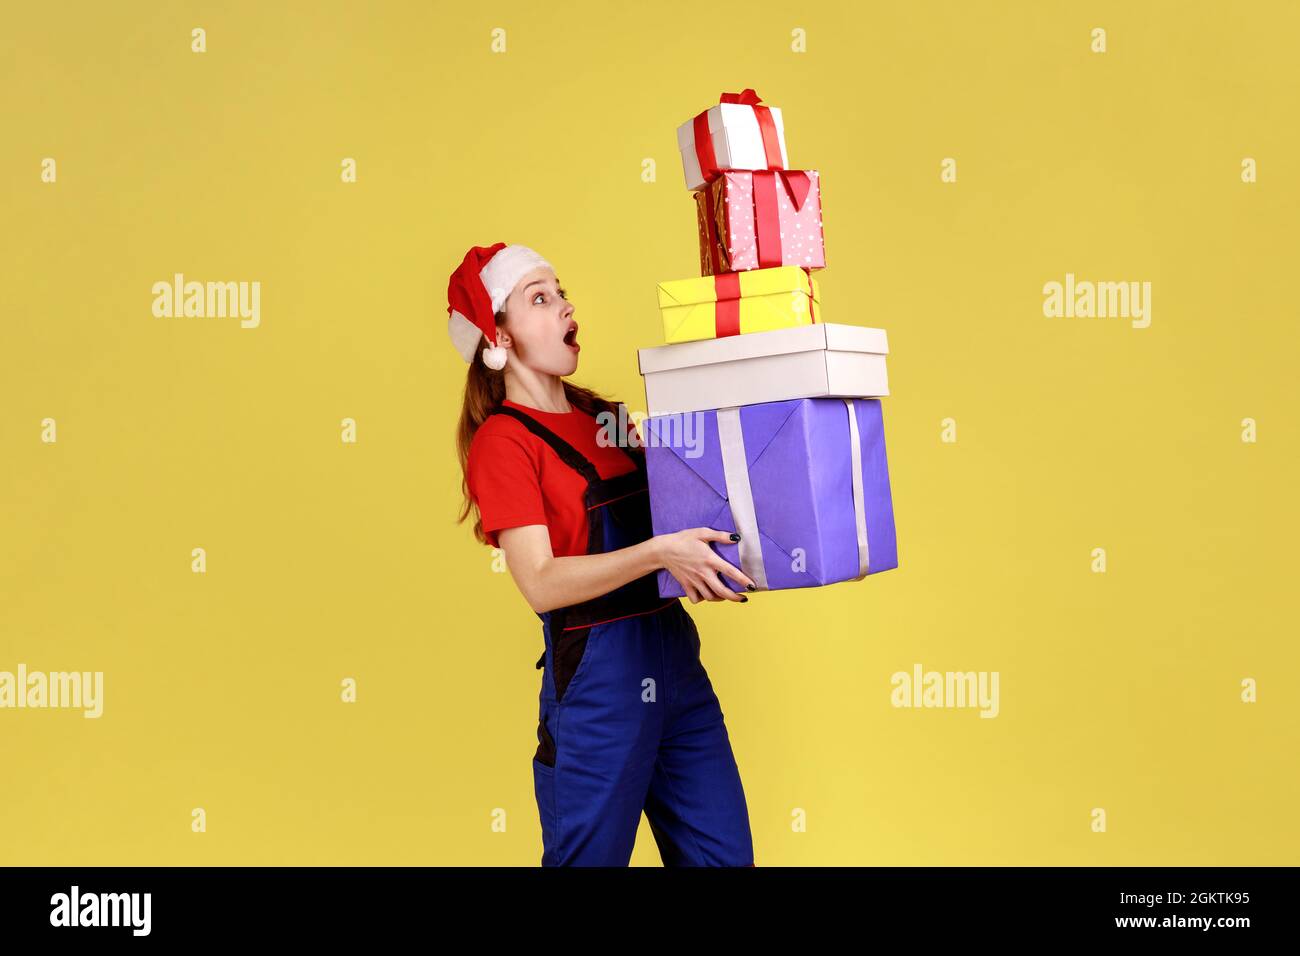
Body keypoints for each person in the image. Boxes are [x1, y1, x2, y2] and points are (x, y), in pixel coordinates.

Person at [448, 242, 757, 866]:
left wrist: (690, 465)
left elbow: (688, 514)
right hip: (597, 686)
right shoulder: (502, 443)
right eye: (539, 297)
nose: (565, 306)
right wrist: (658, 554)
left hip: (674, 664)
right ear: (497, 337)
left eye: (561, 292)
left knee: (724, 860)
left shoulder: (605, 417)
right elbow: (539, 581)